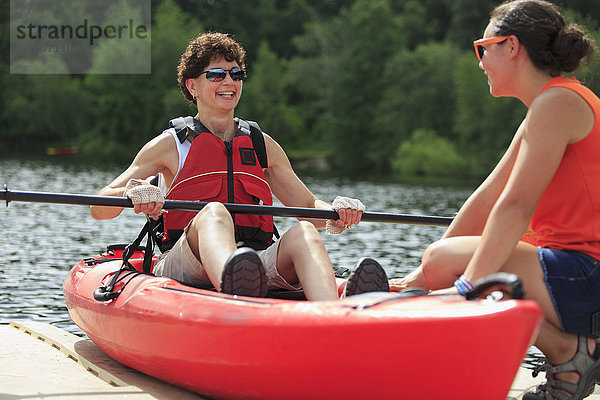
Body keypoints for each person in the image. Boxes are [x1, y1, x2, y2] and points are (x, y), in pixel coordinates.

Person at [389, 1, 599, 399]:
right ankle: (572, 356)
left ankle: (570, 354)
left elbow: (516, 206)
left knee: (446, 262)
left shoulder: (558, 104)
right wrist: (425, 276)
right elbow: (487, 197)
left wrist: (466, 286)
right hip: (576, 276)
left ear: (512, 46)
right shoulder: (549, 104)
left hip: (587, 278)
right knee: (440, 259)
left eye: (482, 47)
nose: (481, 60)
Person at [90, 32, 389, 301]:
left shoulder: (261, 145)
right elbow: (100, 207)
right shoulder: (169, 145)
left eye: (236, 74)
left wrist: (337, 211)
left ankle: (334, 317)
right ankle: (237, 296)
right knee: (214, 212)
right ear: (192, 85)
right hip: (184, 261)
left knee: (304, 233)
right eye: (217, 74)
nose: (229, 82)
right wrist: (134, 194)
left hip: (253, 260)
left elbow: (308, 205)